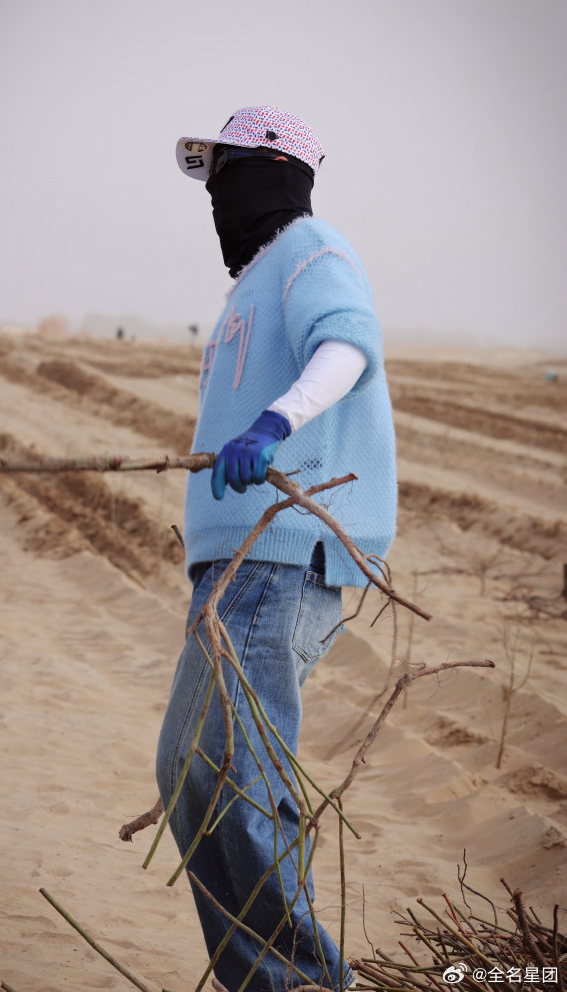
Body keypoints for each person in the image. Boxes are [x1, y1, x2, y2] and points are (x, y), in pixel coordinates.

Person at [156, 106, 397, 991]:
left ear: (271, 174)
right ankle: (268, 981)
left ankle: (302, 983)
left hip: (279, 556)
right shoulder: (251, 284)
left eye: (227, 175)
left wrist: (275, 422)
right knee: (191, 774)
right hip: (236, 567)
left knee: (234, 776)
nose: (217, 197)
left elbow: (347, 345)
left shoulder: (310, 249)